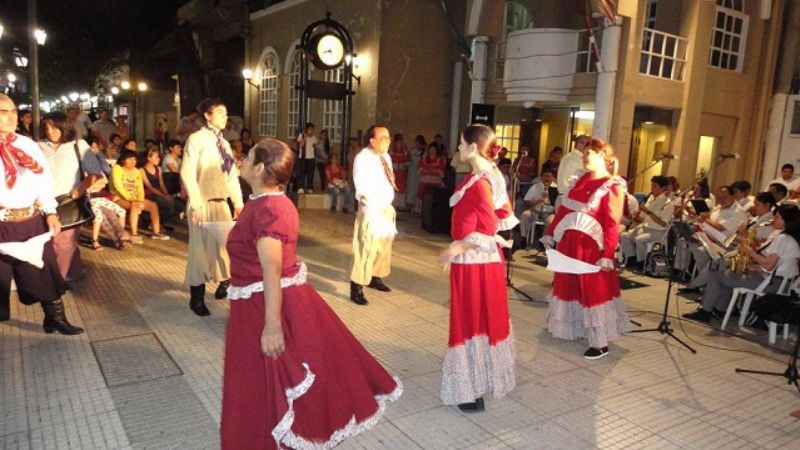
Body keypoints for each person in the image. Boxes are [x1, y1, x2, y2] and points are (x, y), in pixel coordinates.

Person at [220, 138, 401, 448]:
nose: (242, 160)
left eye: (248, 157)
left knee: (263, 378)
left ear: (261, 168)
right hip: (267, 300)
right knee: (262, 381)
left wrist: (272, 325)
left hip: (266, 304)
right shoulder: (270, 203)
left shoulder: (268, 211)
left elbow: (271, 270)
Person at [437, 124, 516, 412]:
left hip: (476, 263)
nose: (458, 149)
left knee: (472, 322)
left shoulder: (482, 181)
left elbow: (489, 226)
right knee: (479, 319)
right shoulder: (487, 176)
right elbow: (504, 213)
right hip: (481, 261)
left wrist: (454, 249)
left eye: (461, 144)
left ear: (472, 147)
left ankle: (471, 390)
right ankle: (478, 382)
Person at [0, 93, 83, 335]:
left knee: (44, 270)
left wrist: (50, 212)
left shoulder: (27, 145)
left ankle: (55, 319)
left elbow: (42, 181)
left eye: (14, 111)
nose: (11, 117)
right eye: (3, 112)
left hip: (29, 222)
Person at [541, 138, 630, 359]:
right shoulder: (579, 179)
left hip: (591, 248)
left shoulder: (612, 185)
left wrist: (608, 255)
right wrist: (551, 233)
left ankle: (600, 343)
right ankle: (577, 328)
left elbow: (612, 224)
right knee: (569, 285)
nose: (584, 156)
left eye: (589, 153)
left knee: (592, 290)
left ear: (602, 156)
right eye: (585, 152)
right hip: (569, 244)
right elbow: (563, 211)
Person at [682, 204, 800, 323]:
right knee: (730, 273)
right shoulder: (790, 238)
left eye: (778, 217)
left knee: (717, 275)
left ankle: (705, 311)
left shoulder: (782, 238)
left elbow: (769, 265)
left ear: (787, 220)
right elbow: (774, 265)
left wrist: (750, 252)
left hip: (769, 284)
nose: (774, 219)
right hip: (779, 283)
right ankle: (720, 309)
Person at [180, 98, 244, 316]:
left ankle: (225, 282)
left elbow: (232, 175)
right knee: (199, 250)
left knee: (226, 247)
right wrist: (195, 203)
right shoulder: (196, 139)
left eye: (226, 113)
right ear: (207, 116)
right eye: (219, 112)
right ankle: (196, 298)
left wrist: (238, 203)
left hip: (221, 202)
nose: (225, 116)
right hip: (202, 201)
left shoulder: (225, 144)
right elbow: (187, 172)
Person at [38, 113, 98, 281]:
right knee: (55, 241)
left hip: (69, 201)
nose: (50, 131)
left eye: (54, 127)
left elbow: (94, 174)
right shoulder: (39, 147)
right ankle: (75, 269)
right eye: (46, 128)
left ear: (64, 126)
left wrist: (80, 189)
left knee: (62, 242)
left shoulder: (79, 145)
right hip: (43, 202)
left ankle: (58, 281)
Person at [349, 125, 397, 305]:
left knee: (384, 245)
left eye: (388, 137)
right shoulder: (363, 158)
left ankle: (375, 276)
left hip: (385, 206)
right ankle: (357, 285)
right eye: (384, 138)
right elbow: (359, 183)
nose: (388, 140)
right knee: (365, 246)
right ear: (372, 141)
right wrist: (367, 205)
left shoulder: (385, 156)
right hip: (370, 207)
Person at [110, 150, 168, 242]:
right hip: (119, 198)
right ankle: (134, 234)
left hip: (135, 198)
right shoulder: (117, 168)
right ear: (123, 160)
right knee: (135, 206)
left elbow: (140, 188)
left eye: (135, 159)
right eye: (130, 159)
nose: (133, 162)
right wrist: (130, 198)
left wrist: (140, 199)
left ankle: (156, 232)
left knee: (153, 206)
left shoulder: (136, 171)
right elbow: (118, 186)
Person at [84, 136, 130, 251]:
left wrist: (99, 155)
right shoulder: (84, 164)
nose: (94, 149)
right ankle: (94, 240)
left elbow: (107, 173)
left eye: (96, 147)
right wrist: (97, 182)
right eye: (91, 147)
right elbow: (89, 184)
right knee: (99, 217)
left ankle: (120, 237)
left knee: (121, 211)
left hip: (100, 196)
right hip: (90, 197)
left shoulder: (98, 165)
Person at [619, 175, 674, 268]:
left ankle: (641, 262)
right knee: (624, 236)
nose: (652, 188)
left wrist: (648, 212)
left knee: (639, 239)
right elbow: (645, 219)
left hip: (657, 231)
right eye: (652, 185)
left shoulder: (668, 203)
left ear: (663, 188)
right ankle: (631, 258)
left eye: (655, 186)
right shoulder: (651, 198)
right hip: (645, 227)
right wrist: (636, 217)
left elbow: (663, 223)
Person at [140, 147, 180, 228]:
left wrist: (167, 194)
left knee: (177, 205)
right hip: (149, 194)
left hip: (158, 192)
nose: (159, 159)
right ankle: (155, 223)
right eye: (156, 157)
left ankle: (157, 223)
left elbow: (162, 184)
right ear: (149, 158)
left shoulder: (158, 169)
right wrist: (164, 196)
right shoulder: (142, 170)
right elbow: (149, 186)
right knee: (169, 205)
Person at [519, 170, 557, 238]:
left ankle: (543, 240)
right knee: (525, 215)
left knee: (552, 221)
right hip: (535, 211)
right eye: (545, 176)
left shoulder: (556, 188)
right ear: (541, 177)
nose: (547, 179)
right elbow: (526, 202)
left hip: (549, 212)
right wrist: (536, 202)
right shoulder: (535, 187)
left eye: (549, 176)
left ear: (552, 178)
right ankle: (523, 238)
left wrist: (551, 199)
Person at [388, 133, 411, 209]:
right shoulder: (391, 151)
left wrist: (403, 170)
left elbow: (407, 163)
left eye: (401, 142)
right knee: (393, 187)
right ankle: (393, 205)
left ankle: (401, 206)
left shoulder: (405, 152)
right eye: (398, 142)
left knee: (401, 188)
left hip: (401, 173)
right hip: (393, 172)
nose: (400, 144)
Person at [296, 122, 317, 193]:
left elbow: (315, 147)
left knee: (310, 173)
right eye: (310, 129)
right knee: (301, 173)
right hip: (302, 157)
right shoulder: (301, 136)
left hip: (311, 157)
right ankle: (300, 187)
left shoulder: (314, 138)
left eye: (312, 129)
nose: (311, 131)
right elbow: (300, 146)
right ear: (306, 129)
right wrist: (305, 138)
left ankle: (309, 187)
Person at [406, 135, 425, 206]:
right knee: (410, 186)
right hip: (412, 170)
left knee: (416, 187)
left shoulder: (423, 153)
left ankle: (415, 204)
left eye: (418, 143)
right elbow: (408, 160)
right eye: (415, 143)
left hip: (418, 172)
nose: (416, 145)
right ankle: (409, 203)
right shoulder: (412, 151)